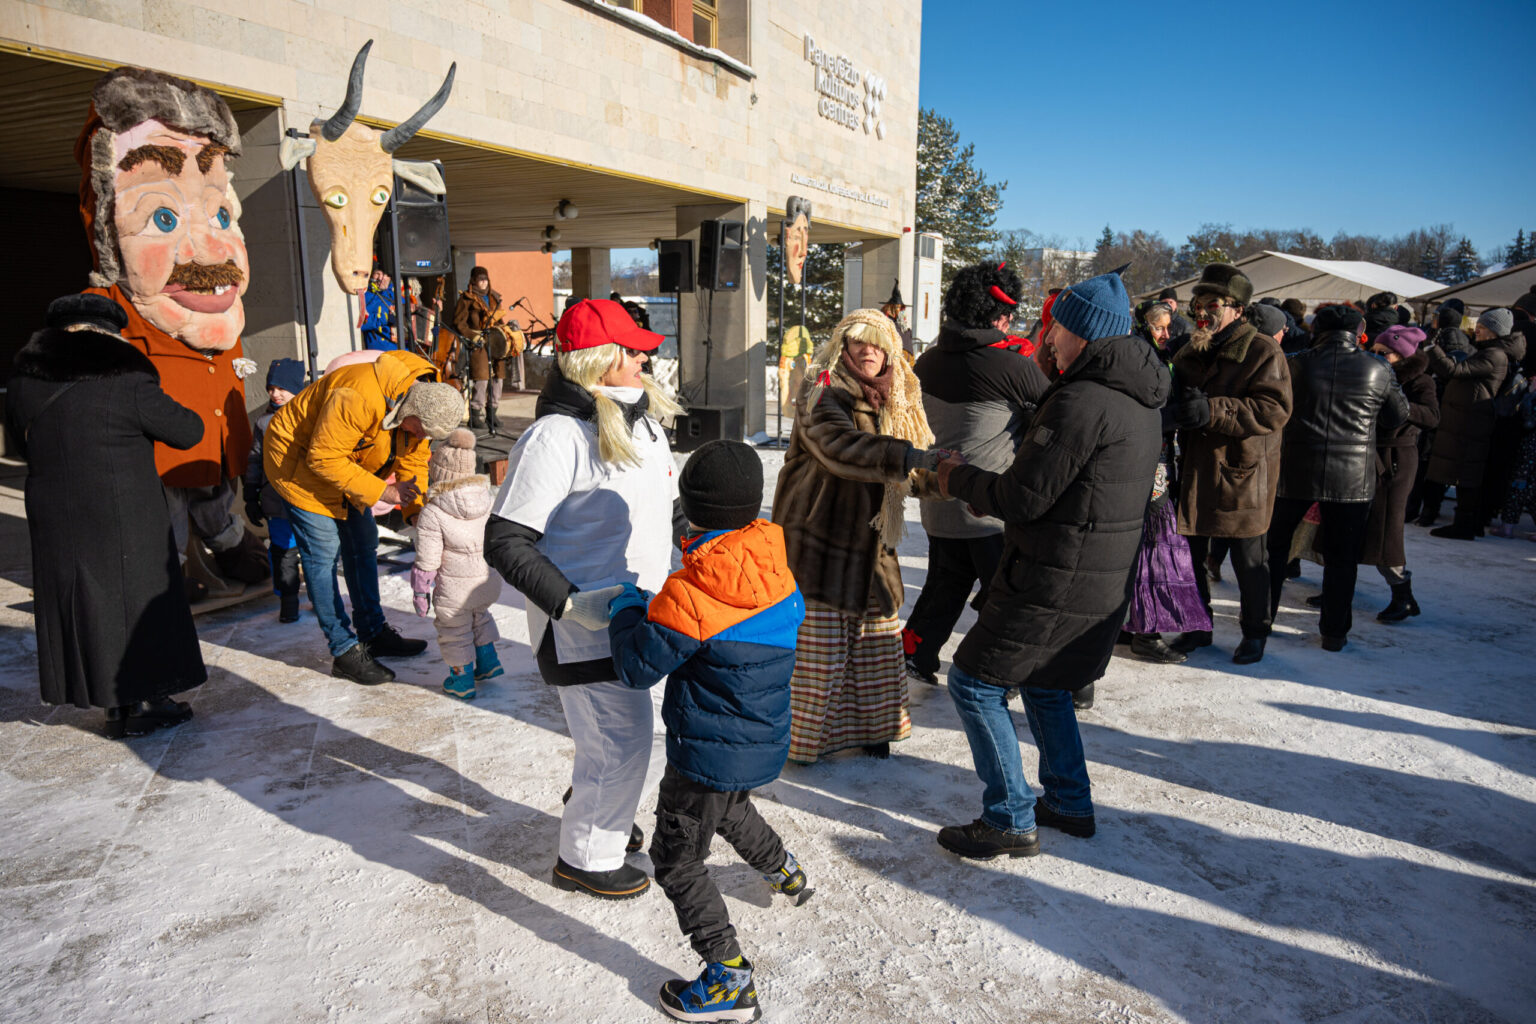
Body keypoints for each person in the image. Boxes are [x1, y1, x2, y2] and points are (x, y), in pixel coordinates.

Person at [931, 271, 1169, 858]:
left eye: (1056, 326)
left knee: (973, 683)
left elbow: (1022, 498)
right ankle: (1067, 797)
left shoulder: (1082, 401)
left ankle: (1010, 815)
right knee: (1047, 682)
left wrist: (955, 475)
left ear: (1082, 332)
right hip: (1093, 571)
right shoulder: (1137, 393)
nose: (1047, 337)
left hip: (1056, 573)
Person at [483, 297, 684, 900]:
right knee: (623, 742)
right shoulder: (556, 436)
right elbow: (506, 540)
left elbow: (664, 507)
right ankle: (587, 857)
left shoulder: (641, 420)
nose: (645, 361)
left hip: (638, 614)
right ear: (603, 361)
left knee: (613, 741)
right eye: (635, 352)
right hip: (581, 623)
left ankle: (600, 812)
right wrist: (569, 604)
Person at [606, 440, 810, 1024]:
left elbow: (636, 666)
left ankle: (727, 977)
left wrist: (627, 608)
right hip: (760, 740)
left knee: (677, 860)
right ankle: (782, 869)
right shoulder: (775, 568)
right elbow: (727, 618)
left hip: (704, 753)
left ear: (691, 513)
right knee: (730, 808)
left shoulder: (690, 594)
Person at [76, 66, 269, 598]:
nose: (211, 252)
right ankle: (167, 565)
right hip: (158, 453)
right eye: (162, 218)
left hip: (213, 441)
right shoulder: (104, 315)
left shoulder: (214, 320)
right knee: (163, 504)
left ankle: (226, 545)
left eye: (222, 215)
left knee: (212, 492)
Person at [6, 294, 205, 737]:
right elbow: (189, 431)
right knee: (138, 601)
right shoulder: (127, 380)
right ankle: (150, 698)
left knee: (85, 602)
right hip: (124, 509)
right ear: (111, 333)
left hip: (53, 509)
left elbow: (21, 446)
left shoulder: (23, 381)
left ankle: (115, 705)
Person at [772, 309, 941, 764]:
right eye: (858, 342)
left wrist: (946, 477)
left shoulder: (899, 400)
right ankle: (800, 743)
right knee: (820, 654)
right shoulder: (820, 389)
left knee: (876, 648)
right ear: (843, 347)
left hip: (871, 543)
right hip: (818, 535)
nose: (867, 351)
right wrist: (913, 458)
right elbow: (840, 447)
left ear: (889, 351)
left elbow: (912, 469)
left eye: (876, 343)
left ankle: (874, 730)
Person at [265, 350, 459, 684]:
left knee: (363, 541)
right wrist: (384, 492)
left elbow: (412, 462)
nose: (423, 437)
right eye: (422, 430)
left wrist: (415, 516)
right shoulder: (357, 396)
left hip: (344, 461)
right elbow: (323, 458)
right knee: (323, 552)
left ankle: (372, 632)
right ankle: (343, 650)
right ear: (410, 412)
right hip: (296, 463)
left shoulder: (422, 400)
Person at [903, 262, 1048, 686]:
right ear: (998, 316)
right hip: (988, 506)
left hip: (937, 501)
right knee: (1004, 597)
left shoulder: (927, 362)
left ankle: (917, 652)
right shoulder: (1014, 368)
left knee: (944, 586)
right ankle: (998, 670)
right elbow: (1052, 420)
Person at [1168, 263, 1292, 665]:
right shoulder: (1193, 347)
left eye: (1212, 304)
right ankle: (1197, 626)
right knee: (1190, 554)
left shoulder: (1262, 350)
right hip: (1194, 470)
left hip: (1241, 473)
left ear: (1237, 309)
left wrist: (1213, 410)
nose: (1201, 312)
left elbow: (1274, 409)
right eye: (1197, 303)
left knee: (1249, 560)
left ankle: (1256, 631)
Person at [1267, 304, 1408, 651]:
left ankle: (1261, 618)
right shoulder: (1377, 367)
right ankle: (1334, 632)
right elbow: (1397, 416)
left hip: (1297, 468)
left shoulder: (1297, 362)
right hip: (1353, 475)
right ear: (1357, 332)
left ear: (1319, 330)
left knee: (1274, 550)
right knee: (1342, 558)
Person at [1119, 300, 1210, 666]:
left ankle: (1134, 625)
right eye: (1159, 327)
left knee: (1146, 545)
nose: (1166, 334)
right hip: (1146, 463)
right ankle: (1146, 630)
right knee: (1155, 545)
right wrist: (1174, 415)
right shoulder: (1140, 357)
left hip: (1157, 460)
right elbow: (1140, 411)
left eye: (1169, 328)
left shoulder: (1157, 354)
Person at [411, 428, 504, 700]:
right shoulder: (486, 500)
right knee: (479, 616)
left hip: (455, 588)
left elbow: (427, 559)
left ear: (439, 472)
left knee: (454, 628)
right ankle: (487, 663)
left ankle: (461, 680)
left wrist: (420, 591)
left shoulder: (433, 511)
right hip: (486, 581)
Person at [1418, 308, 1528, 538]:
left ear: (1495, 332)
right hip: (1468, 419)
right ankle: (1468, 523)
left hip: (1472, 421)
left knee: (1467, 473)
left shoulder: (1494, 355)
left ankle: (1465, 524)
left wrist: (1431, 348)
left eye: (1483, 327)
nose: (1477, 330)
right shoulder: (1489, 352)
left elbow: (1454, 370)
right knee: (1464, 471)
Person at [1360, 325, 1439, 619]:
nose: (1376, 356)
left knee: (1387, 531)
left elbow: (1432, 417)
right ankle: (1338, 587)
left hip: (1396, 459)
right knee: (1354, 525)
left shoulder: (1421, 382)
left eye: (1385, 353)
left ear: (1402, 356)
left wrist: (1398, 402)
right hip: (1368, 454)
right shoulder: (1373, 373)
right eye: (1375, 351)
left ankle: (1403, 596)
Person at [244, 358, 308, 623]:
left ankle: (322, 598)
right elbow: (255, 459)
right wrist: (250, 493)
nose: (275, 393)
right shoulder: (263, 422)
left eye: (282, 388)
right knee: (283, 551)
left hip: (308, 499)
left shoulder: (309, 416)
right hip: (276, 499)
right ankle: (288, 601)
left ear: (296, 388)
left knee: (315, 550)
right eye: (271, 388)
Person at [453, 266, 512, 433]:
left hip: (495, 343)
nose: (483, 282)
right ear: (473, 280)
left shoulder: (494, 297)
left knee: (499, 378)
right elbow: (459, 323)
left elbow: (500, 320)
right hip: (478, 343)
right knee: (482, 378)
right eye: (480, 279)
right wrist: (473, 336)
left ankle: (492, 412)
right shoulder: (466, 299)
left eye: (485, 279)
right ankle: (476, 413)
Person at [360, 267, 399, 351]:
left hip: (403, 351)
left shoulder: (397, 294)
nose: (380, 278)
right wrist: (384, 318)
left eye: (385, 274)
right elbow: (360, 323)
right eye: (377, 273)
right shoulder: (364, 296)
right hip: (379, 354)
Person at [881, 279, 915, 355]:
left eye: (900, 308)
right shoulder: (885, 321)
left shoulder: (901, 323)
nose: (899, 310)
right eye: (896, 307)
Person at [1158, 286, 1192, 354]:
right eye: (1165, 302)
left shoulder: (1185, 326)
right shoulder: (1154, 323)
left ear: (1176, 304)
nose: (1168, 305)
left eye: (1171, 302)